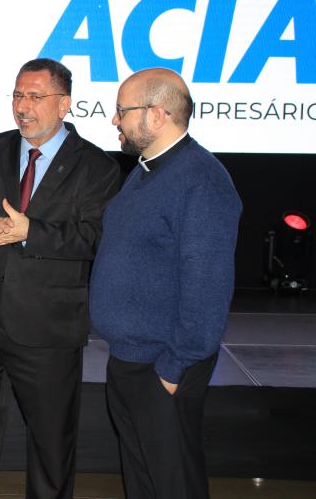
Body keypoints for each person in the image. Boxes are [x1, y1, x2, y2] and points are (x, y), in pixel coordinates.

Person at [0, 58, 121, 499]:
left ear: (64, 104)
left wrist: (30, 232)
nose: (23, 107)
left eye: (35, 97)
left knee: (50, 447)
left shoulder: (96, 166)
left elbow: (97, 237)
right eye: (18, 96)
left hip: (48, 329)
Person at [89, 68, 242, 499]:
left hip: (162, 366)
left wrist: (172, 371)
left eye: (122, 111)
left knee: (173, 484)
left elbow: (208, 289)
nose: (115, 120)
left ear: (156, 115)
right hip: (131, 359)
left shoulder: (201, 180)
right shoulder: (146, 171)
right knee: (143, 481)